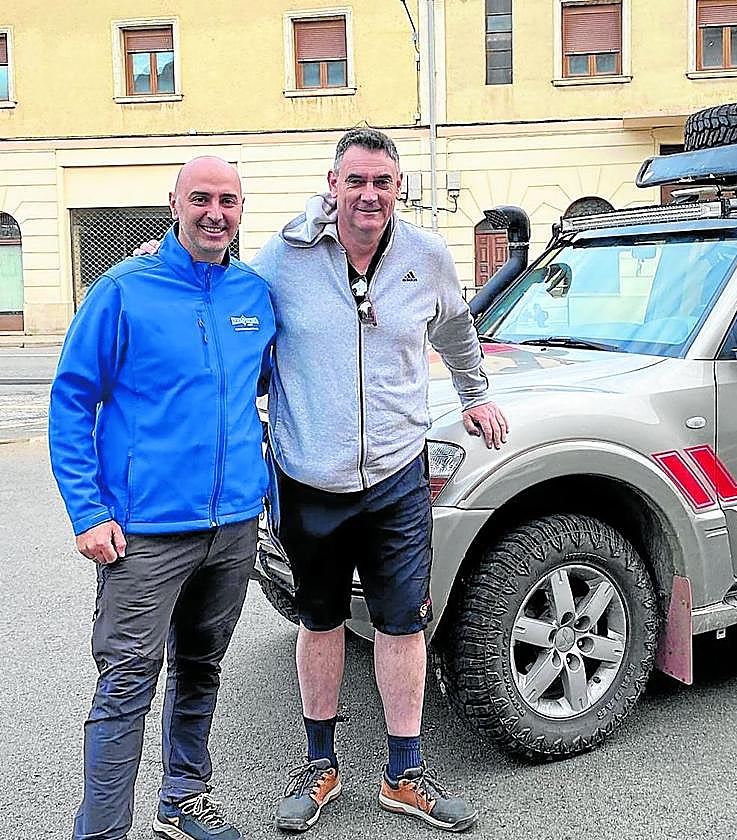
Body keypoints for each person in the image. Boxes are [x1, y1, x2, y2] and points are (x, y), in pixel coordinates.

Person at [254, 128, 507, 833]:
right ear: (331, 184)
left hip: (397, 475)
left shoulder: (425, 256)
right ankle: (319, 764)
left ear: (399, 188)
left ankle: (404, 773)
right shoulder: (284, 256)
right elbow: (233, 312)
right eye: (356, 181)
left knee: (402, 625)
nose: (369, 195)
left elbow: (456, 332)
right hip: (307, 477)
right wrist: (167, 263)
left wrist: (475, 394)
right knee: (320, 619)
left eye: (382, 183)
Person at [50, 157, 275, 840]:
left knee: (201, 670)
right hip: (144, 532)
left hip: (232, 526)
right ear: (173, 204)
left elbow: (260, 387)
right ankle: (102, 831)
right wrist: (88, 512)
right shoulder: (123, 290)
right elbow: (70, 401)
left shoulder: (254, 295)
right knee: (125, 685)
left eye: (228, 200)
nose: (215, 212)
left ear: (241, 209)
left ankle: (182, 800)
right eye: (200, 198)